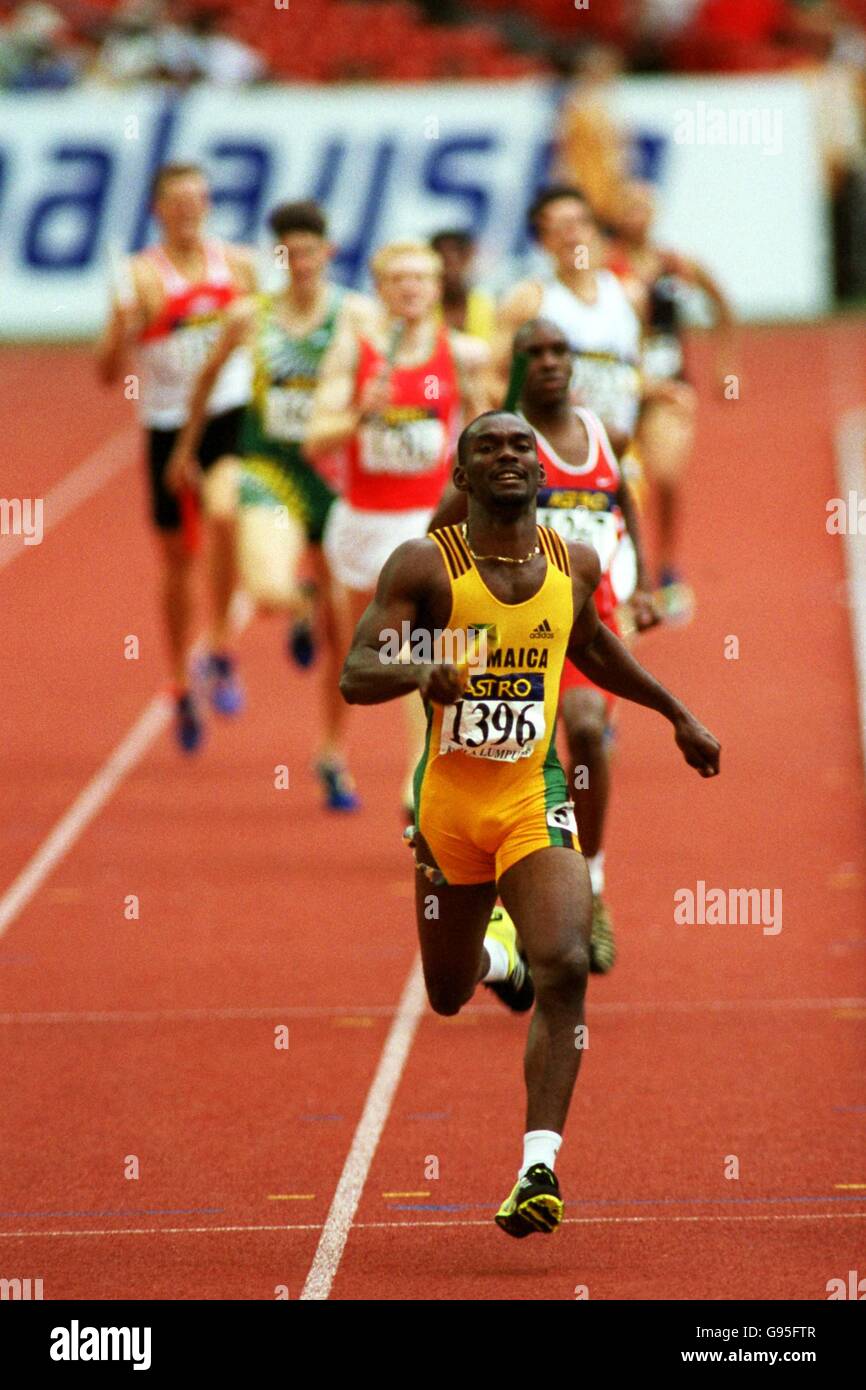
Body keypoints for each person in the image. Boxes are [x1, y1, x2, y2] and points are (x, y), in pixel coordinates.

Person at [340, 409, 721, 1237]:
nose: (510, 457)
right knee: (445, 994)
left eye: (522, 447)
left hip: (530, 795)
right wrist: (422, 665)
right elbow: (356, 671)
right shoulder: (425, 568)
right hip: (449, 807)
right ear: (464, 478)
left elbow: (594, 648)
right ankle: (492, 960)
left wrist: (677, 714)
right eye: (489, 448)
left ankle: (537, 1168)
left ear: (540, 473)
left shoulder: (572, 565)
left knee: (569, 961)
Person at [429, 319, 659, 971]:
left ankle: (591, 883)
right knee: (512, 759)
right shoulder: (498, 444)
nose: (552, 362)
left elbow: (623, 503)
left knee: (584, 729)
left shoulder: (605, 435)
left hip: (586, 611)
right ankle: (511, 908)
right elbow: (437, 532)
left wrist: (641, 579)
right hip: (503, 625)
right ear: (516, 365)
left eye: (562, 350)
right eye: (536, 352)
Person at [167, 200, 370, 810]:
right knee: (268, 585)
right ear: (276, 258)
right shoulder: (249, 317)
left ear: (326, 254)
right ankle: (299, 606)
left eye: (310, 251)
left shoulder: (356, 314)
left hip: (336, 480)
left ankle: (331, 755)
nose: (300, 262)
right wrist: (186, 447)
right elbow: (205, 380)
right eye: (288, 253)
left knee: (346, 636)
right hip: (272, 471)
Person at [306, 239, 490, 813]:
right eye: (398, 279)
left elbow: (486, 435)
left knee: (423, 641)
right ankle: (332, 750)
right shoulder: (352, 353)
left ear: (438, 288)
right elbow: (315, 440)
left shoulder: (464, 355)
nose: (411, 288)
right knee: (355, 654)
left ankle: (420, 778)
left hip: (424, 521)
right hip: (362, 521)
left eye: (421, 279)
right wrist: (362, 410)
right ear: (380, 289)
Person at [96, 161, 256, 751]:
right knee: (177, 559)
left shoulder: (236, 266)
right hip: (164, 423)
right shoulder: (139, 277)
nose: (190, 209)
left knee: (225, 511)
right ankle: (176, 677)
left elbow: (264, 339)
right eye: (177, 201)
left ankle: (220, 645)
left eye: (198, 198)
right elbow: (108, 375)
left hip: (229, 414)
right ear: (157, 209)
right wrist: (122, 328)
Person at [607, 178, 736, 616]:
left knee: (665, 477)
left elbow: (721, 302)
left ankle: (667, 569)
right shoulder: (607, 268)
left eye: (643, 207)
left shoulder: (676, 264)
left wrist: (725, 364)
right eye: (627, 208)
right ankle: (621, 574)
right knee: (618, 483)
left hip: (669, 388)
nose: (635, 217)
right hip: (622, 388)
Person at [494, 184, 642, 463]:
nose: (572, 235)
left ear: (595, 230)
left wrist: (662, 391)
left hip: (617, 453)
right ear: (542, 241)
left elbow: (636, 371)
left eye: (579, 223)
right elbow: (490, 378)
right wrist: (540, 406)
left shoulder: (630, 295)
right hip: (550, 455)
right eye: (559, 227)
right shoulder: (529, 299)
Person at [429, 230, 496, 342]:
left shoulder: (488, 305)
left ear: (469, 258)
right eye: (445, 261)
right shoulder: (423, 308)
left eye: (457, 259)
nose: (451, 270)